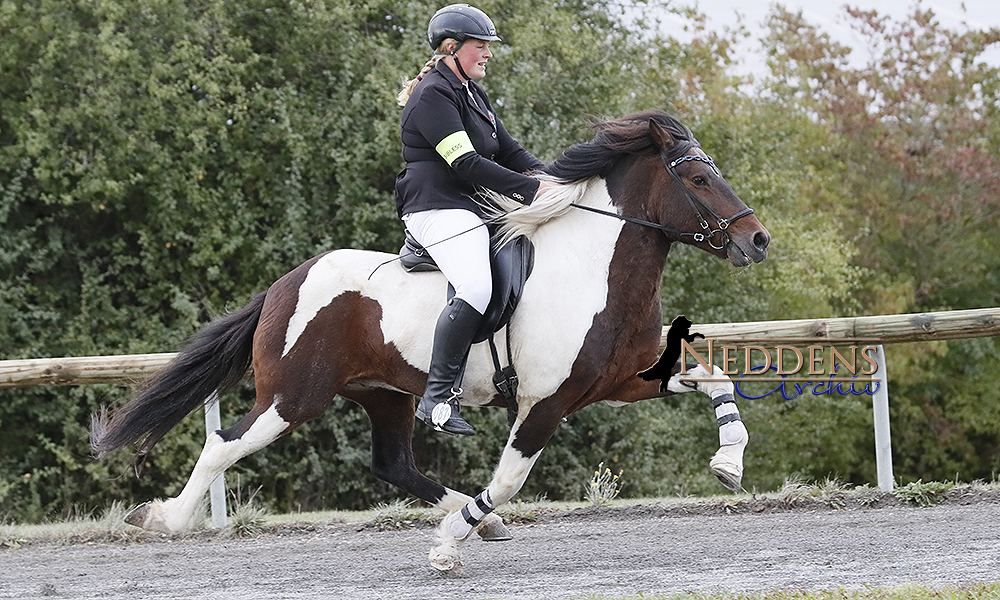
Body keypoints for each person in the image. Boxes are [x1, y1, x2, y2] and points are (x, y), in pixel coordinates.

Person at [395, 3, 558, 436]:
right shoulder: (432, 95)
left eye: (489, 47)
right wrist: (529, 191)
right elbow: (464, 163)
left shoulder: (473, 94)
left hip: (468, 208)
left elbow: (510, 153)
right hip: (434, 207)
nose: (488, 53)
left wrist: (556, 180)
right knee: (475, 286)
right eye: (481, 46)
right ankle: (437, 398)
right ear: (452, 47)